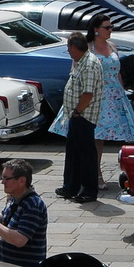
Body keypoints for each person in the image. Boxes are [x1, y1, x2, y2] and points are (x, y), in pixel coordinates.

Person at [55, 34, 102, 203]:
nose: (69, 53)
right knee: (73, 153)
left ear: (74, 48)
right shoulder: (81, 62)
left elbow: (88, 94)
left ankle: (89, 191)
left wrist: (77, 111)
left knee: (86, 155)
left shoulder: (88, 65)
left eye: (69, 50)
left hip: (83, 116)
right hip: (76, 116)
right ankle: (70, 187)